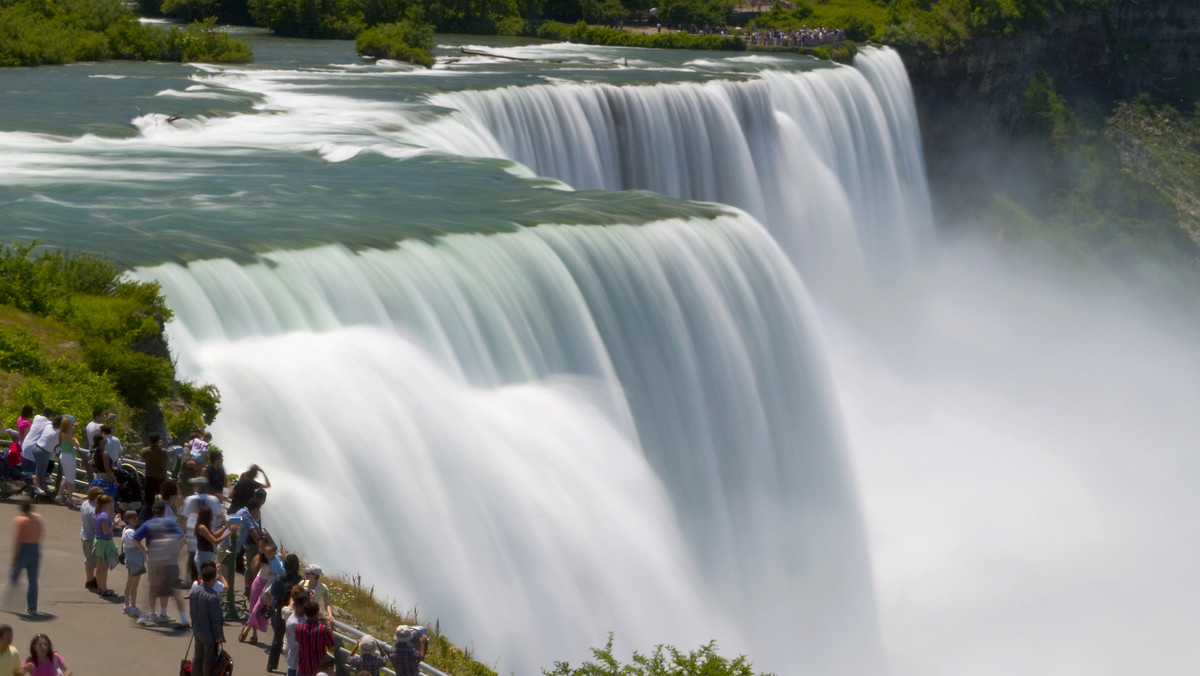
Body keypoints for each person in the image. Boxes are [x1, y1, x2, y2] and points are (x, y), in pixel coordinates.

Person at [133, 501, 188, 628]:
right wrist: (176, 552)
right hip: (170, 559)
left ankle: (152, 614)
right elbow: (183, 539)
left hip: (154, 557)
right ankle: (166, 614)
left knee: (153, 587)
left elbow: (135, 539)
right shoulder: (171, 523)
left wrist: (144, 550)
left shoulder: (148, 524)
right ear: (164, 511)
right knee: (173, 589)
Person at [181, 477, 225, 581]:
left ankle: (192, 580)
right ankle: (203, 582)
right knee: (206, 559)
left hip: (193, 530)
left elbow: (184, 518)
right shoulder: (213, 499)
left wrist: (182, 532)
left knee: (193, 557)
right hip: (208, 530)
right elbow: (219, 515)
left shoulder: (190, 499)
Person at [266, 554, 302, 672]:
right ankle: (293, 666)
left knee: (277, 638)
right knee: (294, 641)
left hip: (280, 610)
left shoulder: (280, 578)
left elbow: (273, 593)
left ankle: (271, 664)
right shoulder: (300, 580)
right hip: (295, 612)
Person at [240, 540, 281, 644]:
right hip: (258, 583)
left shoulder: (277, 560)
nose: (268, 554)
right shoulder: (261, 558)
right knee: (253, 608)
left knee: (257, 611)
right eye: (266, 552)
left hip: (267, 587)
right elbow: (254, 567)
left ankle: (247, 628)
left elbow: (279, 572)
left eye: (270, 552)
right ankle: (254, 634)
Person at [190, 562, 225, 676]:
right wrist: (219, 636)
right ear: (213, 578)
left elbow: (192, 611)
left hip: (197, 630)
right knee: (208, 659)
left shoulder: (195, 591)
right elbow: (215, 619)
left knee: (198, 656)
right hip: (208, 634)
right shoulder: (212, 596)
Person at [9, 502, 42, 616]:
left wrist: (14, 558)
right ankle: (32, 608)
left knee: (14, 576)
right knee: (33, 581)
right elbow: (41, 533)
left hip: (24, 549)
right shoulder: (37, 518)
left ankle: (11, 602)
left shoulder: (20, 520)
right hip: (35, 548)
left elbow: (18, 541)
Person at [295, 600, 335, 676]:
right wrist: (329, 627)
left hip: (302, 668)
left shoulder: (299, 627)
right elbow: (332, 648)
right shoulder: (323, 629)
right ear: (317, 613)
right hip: (318, 670)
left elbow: (297, 640)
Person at [91, 494, 119, 596]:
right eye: (109, 502)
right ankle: (104, 588)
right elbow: (106, 531)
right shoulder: (104, 516)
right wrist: (114, 525)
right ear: (105, 504)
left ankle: (100, 587)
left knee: (99, 567)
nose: (111, 504)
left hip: (98, 541)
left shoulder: (95, 513)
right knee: (104, 568)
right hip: (105, 542)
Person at [122, 510, 148, 617]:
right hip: (135, 561)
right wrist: (145, 550)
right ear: (128, 520)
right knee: (134, 586)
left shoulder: (126, 530)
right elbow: (135, 541)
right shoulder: (130, 532)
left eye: (136, 517)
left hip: (132, 560)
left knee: (129, 583)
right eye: (134, 518)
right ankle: (133, 607)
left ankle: (127, 605)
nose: (136, 519)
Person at [79, 487, 103, 591]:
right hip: (92, 538)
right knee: (93, 561)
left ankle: (90, 579)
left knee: (89, 559)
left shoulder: (85, 504)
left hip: (85, 534)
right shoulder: (94, 511)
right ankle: (91, 581)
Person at [194, 504, 230, 570]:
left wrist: (226, 527)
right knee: (204, 578)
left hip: (205, 555)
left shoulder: (204, 526)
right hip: (203, 556)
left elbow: (215, 535)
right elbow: (215, 541)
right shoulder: (202, 527)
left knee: (205, 578)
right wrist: (230, 532)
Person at [282, 586, 308, 676]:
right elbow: (299, 642)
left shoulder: (304, 617)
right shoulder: (293, 623)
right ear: (297, 605)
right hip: (295, 663)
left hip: (301, 664)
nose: (305, 608)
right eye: (303, 606)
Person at [55, 416, 80, 507]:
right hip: (69, 457)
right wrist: (76, 440)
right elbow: (76, 445)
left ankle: (59, 495)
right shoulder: (67, 435)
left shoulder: (62, 433)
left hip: (63, 456)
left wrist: (75, 427)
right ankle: (70, 498)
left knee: (66, 477)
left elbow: (71, 433)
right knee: (71, 479)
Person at [20, 409, 49, 488]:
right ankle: (31, 490)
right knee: (31, 473)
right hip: (33, 449)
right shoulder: (49, 424)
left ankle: (25, 489)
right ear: (50, 416)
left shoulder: (36, 417)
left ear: (42, 413)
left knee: (25, 471)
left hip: (25, 446)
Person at [139, 435, 169, 509]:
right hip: (160, 477)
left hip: (149, 477)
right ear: (159, 441)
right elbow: (166, 462)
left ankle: (149, 513)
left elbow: (143, 457)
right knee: (160, 497)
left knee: (149, 499)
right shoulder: (163, 452)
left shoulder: (145, 451)